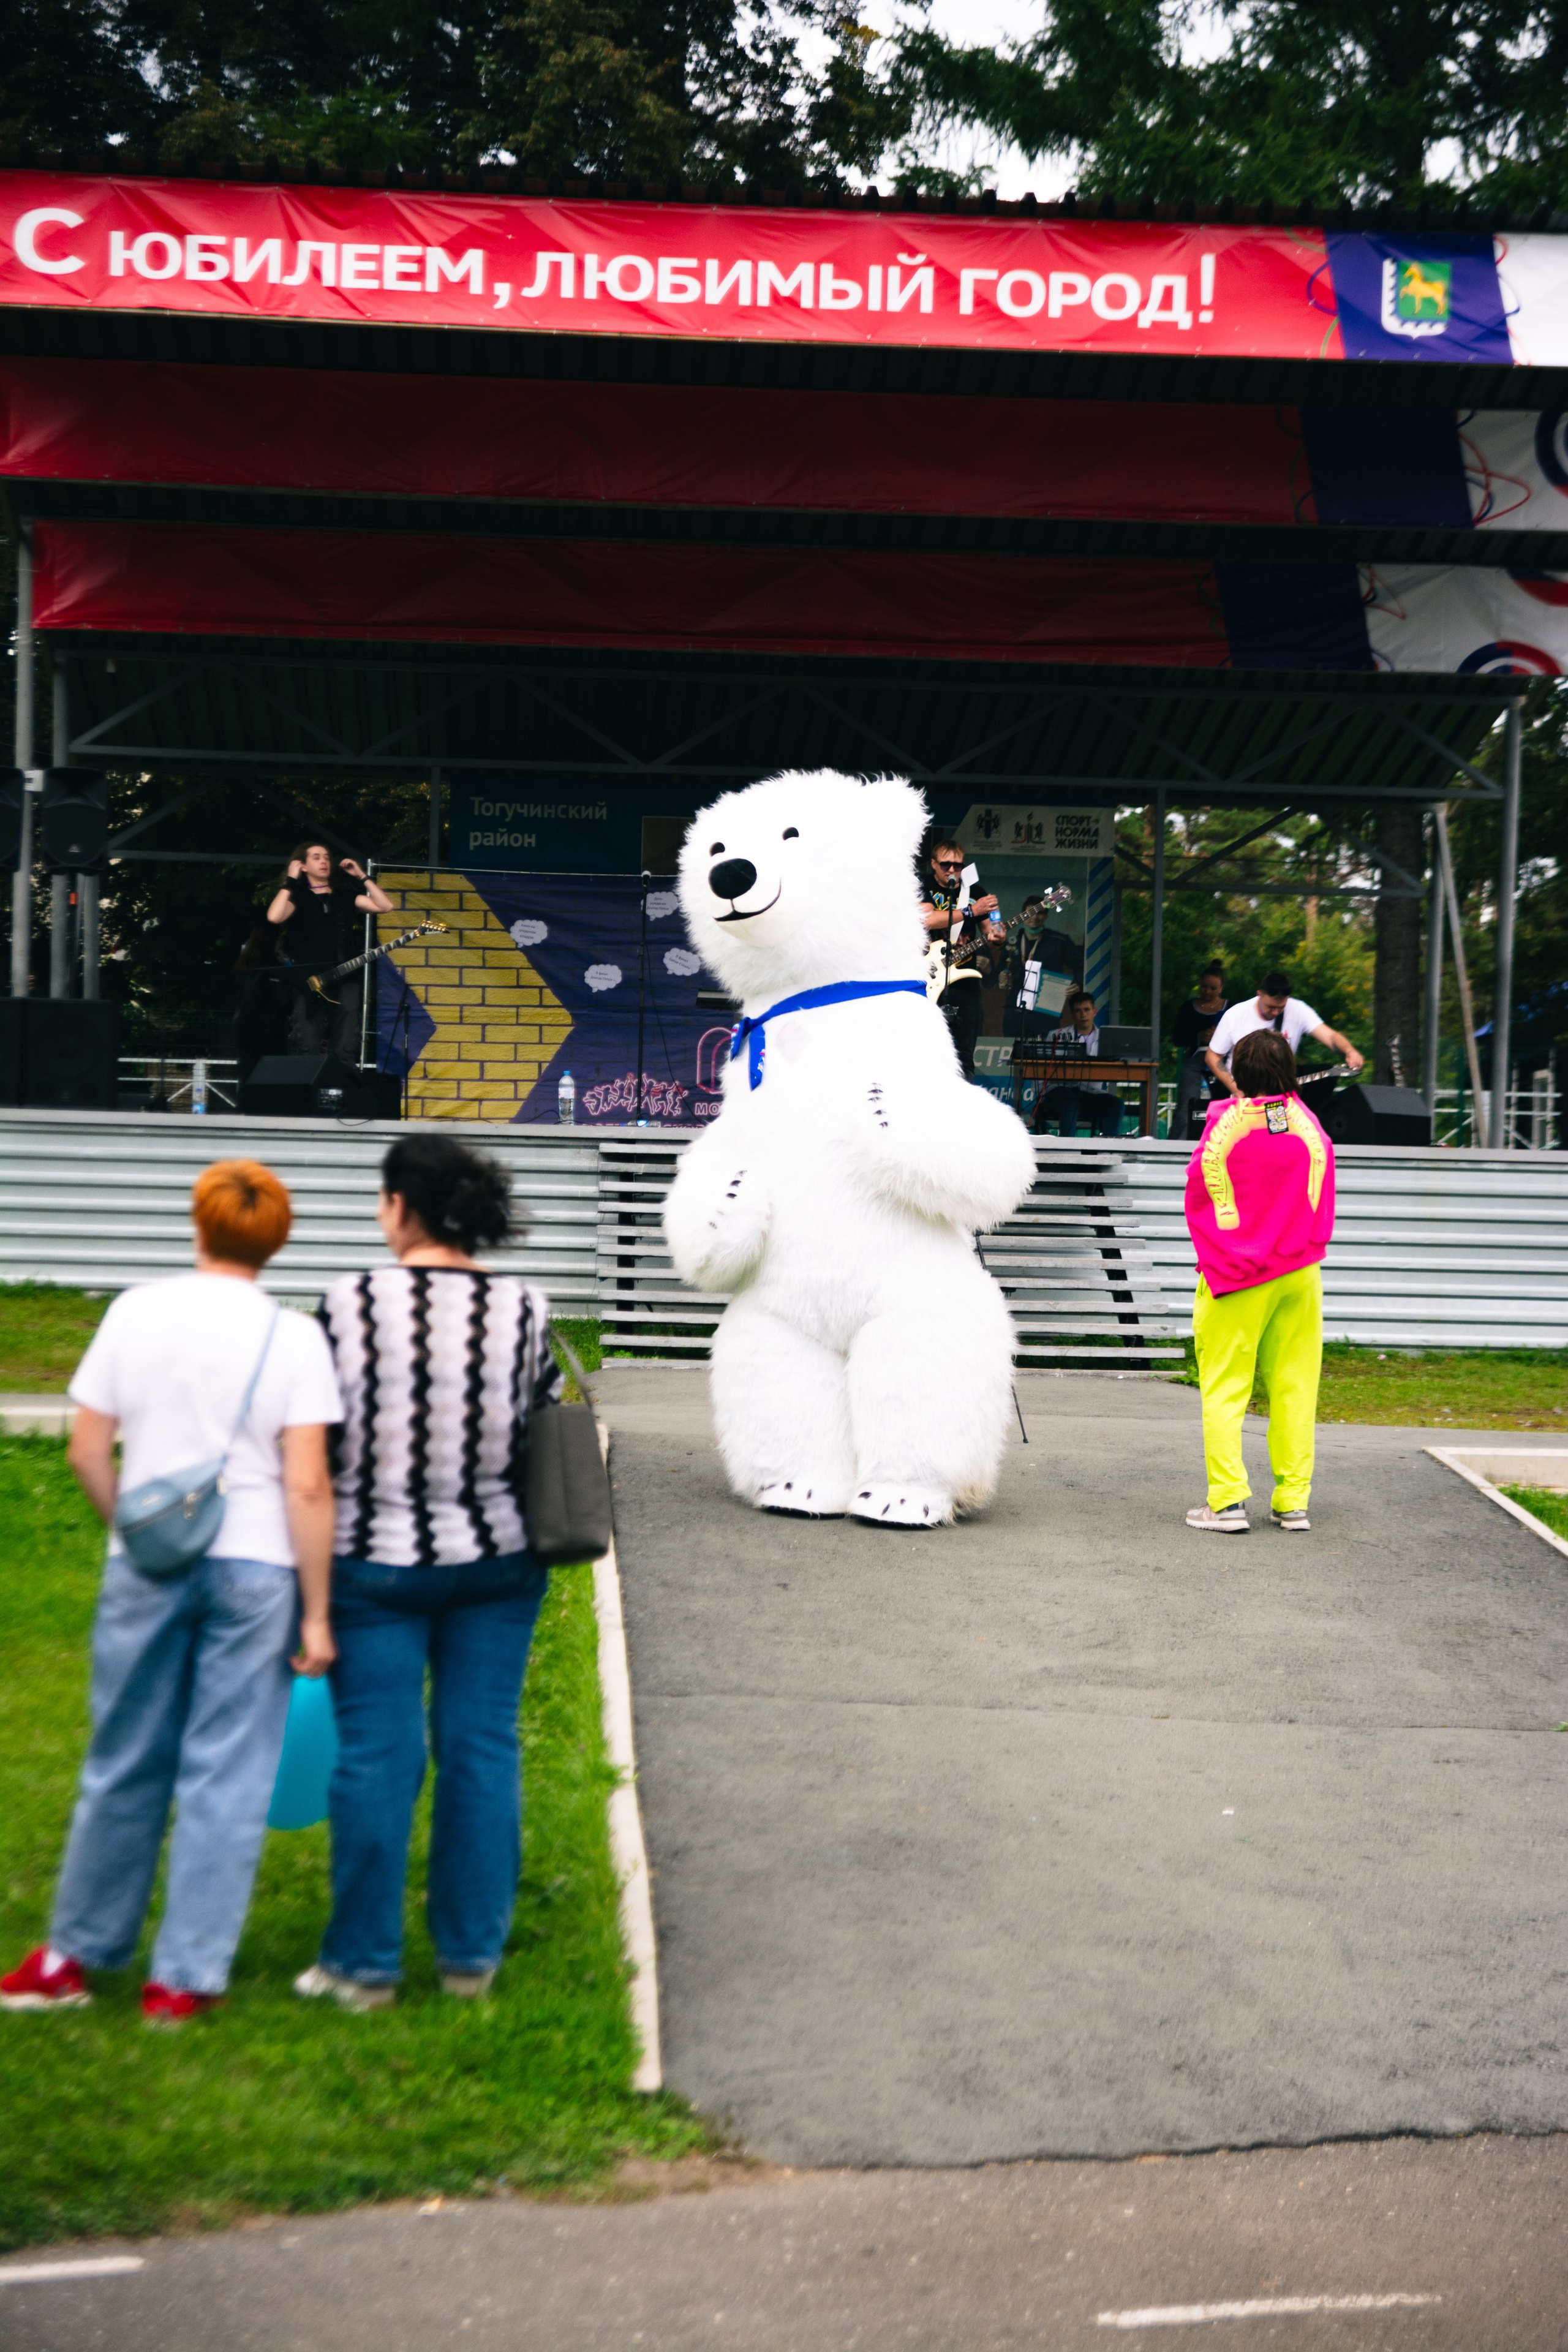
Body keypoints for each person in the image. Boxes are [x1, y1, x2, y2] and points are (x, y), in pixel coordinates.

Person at [1, 1162, 341, 2021]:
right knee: (227, 1772)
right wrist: (317, 1611)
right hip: (260, 1566)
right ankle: (182, 1980)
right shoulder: (295, 1338)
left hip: (147, 1564)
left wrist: (136, 1530)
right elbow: (307, 1486)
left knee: (122, 1759)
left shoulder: (134, 1311)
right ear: (278, 1237)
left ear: (199, 1224)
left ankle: (73, 1956)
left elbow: (86, 1450)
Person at [296, 1133, 564, 2013]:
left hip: (373, 1568)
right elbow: (540, 1431)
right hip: (497, 1561)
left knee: (377, 1756)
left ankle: (363, 1966)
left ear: (399, 1207)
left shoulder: (347, 1302)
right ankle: (468, 1960)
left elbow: (315, 1445)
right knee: (481, 1748)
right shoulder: (527, 1307)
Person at [1183, 1028, 1335, 1535]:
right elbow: (1320, 1184)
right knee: (1295, 1387)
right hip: (1299, 1272)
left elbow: (1202, 1190)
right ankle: (1293, 1502)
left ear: (1238, 1072)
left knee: (1226, 1389)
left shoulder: (1225, 1125)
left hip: (1236, 1275)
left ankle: (1226, 1503)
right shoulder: (1306, 1123)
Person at [265, 842, 393, 1064]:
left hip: (345, 976)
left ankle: (343, 1089)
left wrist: (361, 875)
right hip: (309, 980)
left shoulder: (345, 896)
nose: (324, 861)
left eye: (326, 857)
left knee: (346, 1046)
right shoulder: (298, 897)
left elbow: (385, 906)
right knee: (308, 1044)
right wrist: (290, 881)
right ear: (303, 865)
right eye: (316, 857)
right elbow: (274, 917)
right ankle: (307, 1094)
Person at [918, 829, 1003, 1080]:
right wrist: (970, 911)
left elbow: (992, 931)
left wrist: (998, 934)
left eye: (957, 865)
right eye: (946, 864)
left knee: (964, 1055)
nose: (952, 870)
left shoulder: (975, 890)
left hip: (965, 982)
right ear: (934, 864)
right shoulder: (923, 884)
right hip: (928, 978)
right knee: (926, 1051)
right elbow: (928, 919)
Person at [1204, 969, 1363, 1101]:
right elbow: (1213, 1057)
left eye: (1281, 1008)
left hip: (1281, 1087)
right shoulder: (1236, 1014)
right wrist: (1235, 1088)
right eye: (1270, 1007)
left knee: (1326, 1073)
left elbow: (1330, 1036)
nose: (1275, 1012)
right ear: (1259, 994)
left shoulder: (1298, 1009)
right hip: (1244, 1087)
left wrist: (1349, 1051)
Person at [1033, 987, 1123, 1137]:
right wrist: (1040, 1097)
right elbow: (1040, 1068)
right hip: (1059, 1093)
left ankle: (1108, 1150)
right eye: (1078, 1010)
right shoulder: (1057, 1035)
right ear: (1072, 1013)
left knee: (1117, 1105)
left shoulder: (1106, 1039)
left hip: (1090, 1094)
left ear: (1094, 1012)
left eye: (1087, 1010)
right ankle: (1068, 1151)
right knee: (1070, 1100)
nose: (1083, 1014)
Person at [1172, 960, 1230, 1139]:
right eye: (1204, 987)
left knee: (1226, 1105)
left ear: (1221, 988)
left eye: (1213, 988)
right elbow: (1177, 1038)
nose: (1207, 992)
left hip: (1224, 1062)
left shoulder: (1232, 1008)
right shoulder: (1188, 1008)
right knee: (1185, 1107)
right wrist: (1199, 1036)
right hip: (1195, 1061)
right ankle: (1177, 1147)